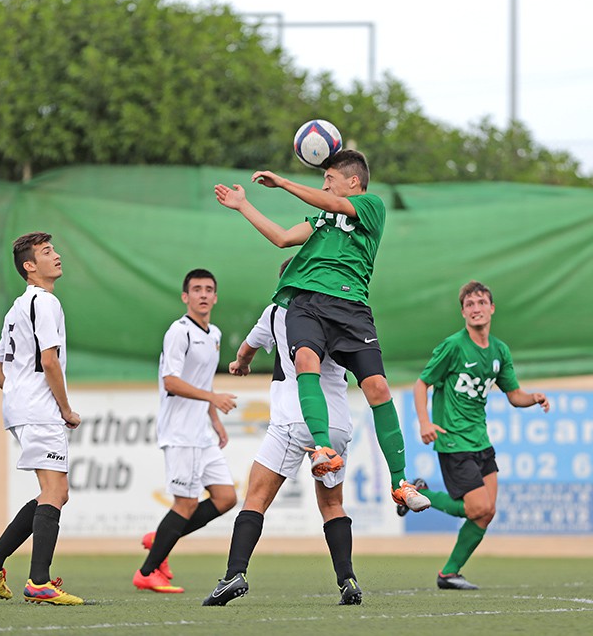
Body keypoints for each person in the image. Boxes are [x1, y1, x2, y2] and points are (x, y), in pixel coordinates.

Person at [213, 149, 429, 513]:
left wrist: (282, 182)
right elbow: (281, 238)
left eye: (330, 179)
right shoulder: (321, 219)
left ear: (353, 181)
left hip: (351, 307)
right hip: (308, 303)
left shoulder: (371, 206)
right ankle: (322, 448)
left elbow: (336, 204)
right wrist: (242, 206)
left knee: (377, 386)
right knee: (307, 362)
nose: (325, 185)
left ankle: (400, 482)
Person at [203, 259, 362, 607]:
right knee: (333, 504)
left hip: (294, 418)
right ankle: (347, 579)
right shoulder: (342, 309)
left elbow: (247, 349)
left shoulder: (277, 310)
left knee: (256, 497)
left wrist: (240, 364)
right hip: (336, 423)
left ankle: (234, 575)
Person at [409, 281, 549, 590]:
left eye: (481, 303)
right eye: (469, 304)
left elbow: (514, 395)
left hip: (481, 441)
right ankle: (417, 493)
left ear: (491, 308)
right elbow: (422, 384)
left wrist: (534, 397)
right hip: (452, 440)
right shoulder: (453, 346)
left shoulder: (499, 350)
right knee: (477, 508)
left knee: (487, 513)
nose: (476, 309)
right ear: (463, 312)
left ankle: (448, 573)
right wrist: (424, 422)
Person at [0, 231, 87, 606]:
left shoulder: (18, 307)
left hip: (24, 409)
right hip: (40, 411)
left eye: (54, 249)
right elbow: (49, 360)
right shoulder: (45, 302)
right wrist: (64, 408)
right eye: (46, 252)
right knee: (56, 492)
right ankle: (38, 582)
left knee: (52, 493)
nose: (56, 256)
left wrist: (20, 395)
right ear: (29, 266)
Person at [133, 268, 239, 593]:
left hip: (201, 432)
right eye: (196, 289)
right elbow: (172, 382)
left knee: (226, 497)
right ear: (185, 296)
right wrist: (213, 398)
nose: (203, 294)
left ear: (216, 296)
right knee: (186, 503)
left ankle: (163, 538)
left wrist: (214, 418)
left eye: (209, 289)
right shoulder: (178, 332)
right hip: (180, 432)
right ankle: (147, 572)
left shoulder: (215, 333)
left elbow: (202, 381)